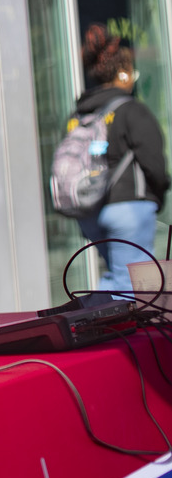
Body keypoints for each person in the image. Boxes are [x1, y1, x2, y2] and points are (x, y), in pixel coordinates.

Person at [73, 23, 169, 290]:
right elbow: (153, 161)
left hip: (90, 210)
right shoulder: (132, 110)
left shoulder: (81, 114)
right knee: (133, 286)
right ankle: (119, 332)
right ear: (124, 73)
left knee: (116, 279)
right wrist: (157, 195)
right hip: (128, 208)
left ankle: (100, 323)